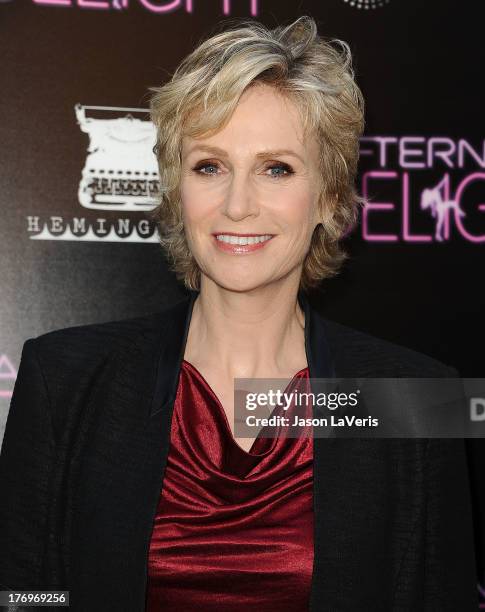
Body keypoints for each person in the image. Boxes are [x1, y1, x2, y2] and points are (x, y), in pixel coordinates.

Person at [0, 15, 478, 612]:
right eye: (210, 166)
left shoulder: (414, 398)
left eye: (276, 168)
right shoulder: (66, 379)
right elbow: (24, 595)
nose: (237, 204)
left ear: (329, 196)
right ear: (178, 188)